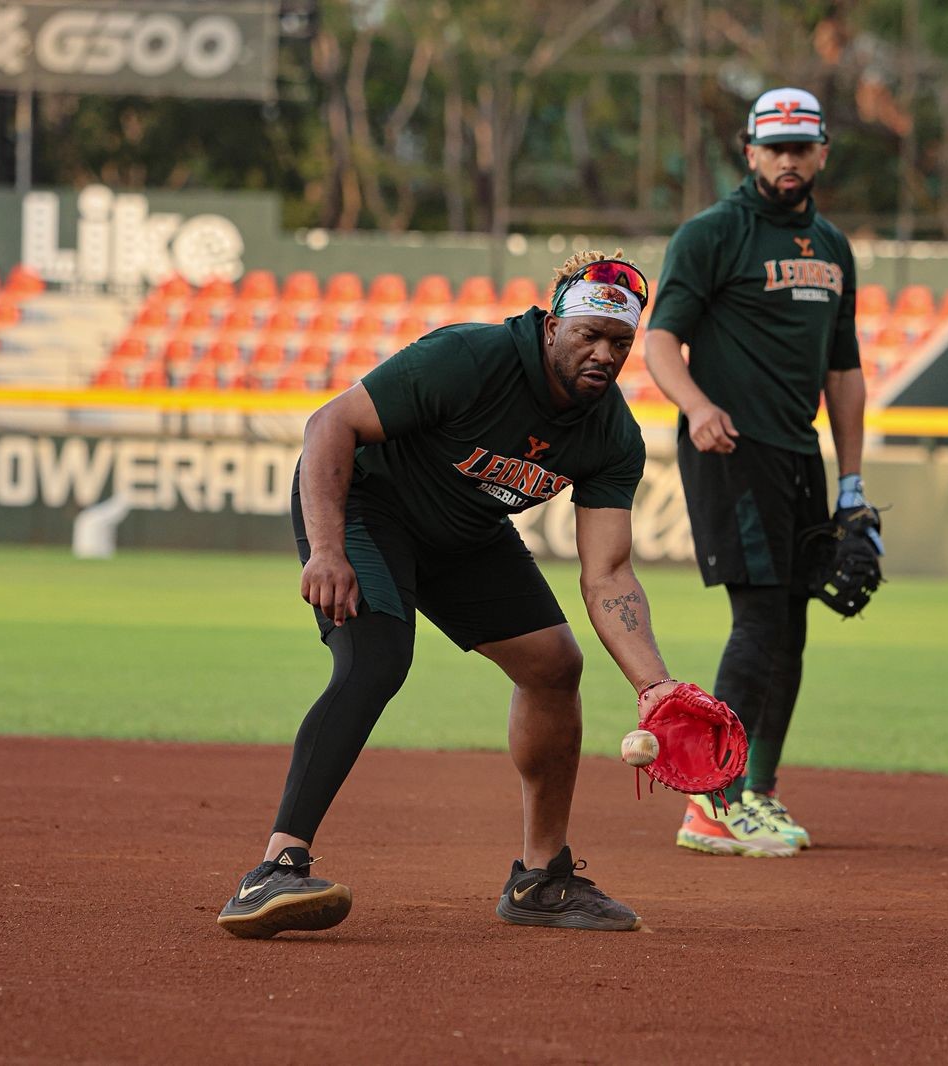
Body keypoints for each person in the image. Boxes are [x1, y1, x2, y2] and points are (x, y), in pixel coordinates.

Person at [217, 252, 683, 936]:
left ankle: (541, 880)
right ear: (553, 326)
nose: (604, 354)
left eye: (620, 342)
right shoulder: (473, 356)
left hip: (465, 533)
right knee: (376, 659)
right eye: (589, 334)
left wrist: (656, 686)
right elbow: (329, 426)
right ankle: (274, 871)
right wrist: (325, 548)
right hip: (367, 508)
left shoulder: (612, 434)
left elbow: (609, 573)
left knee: (555, 665)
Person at [644, 86, 879, 858]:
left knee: (794, 626)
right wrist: (698, 406)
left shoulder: (834, 249)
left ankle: (757, 791)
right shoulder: (714, 233)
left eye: (800, 146)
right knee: (758, 622)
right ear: (749, 151)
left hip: (797, 455)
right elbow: (660, 342)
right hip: (729, 449)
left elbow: (843, 374)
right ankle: (709, 801)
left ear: (821, 154)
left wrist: (851, 483)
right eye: (773, 146)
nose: (787, 158)